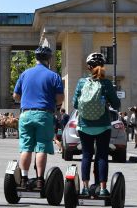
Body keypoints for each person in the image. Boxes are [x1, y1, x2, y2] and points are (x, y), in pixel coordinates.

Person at [13, 46, 64, 190]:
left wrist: (27, 98)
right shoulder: (53, 76)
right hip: (44, 114)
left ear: (35, 58)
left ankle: (23, 179)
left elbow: (15, 96)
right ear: (49, 59)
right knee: (42, 147)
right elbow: (60, 99)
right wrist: (52, 101)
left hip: (26, 114)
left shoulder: (25, 74)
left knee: (26, 147)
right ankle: (40, 181)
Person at [72, 52, 120, 196]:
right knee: (102, 156)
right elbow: (117, 104)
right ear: (103, 66)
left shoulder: (81, 82)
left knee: (86, 155)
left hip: (84, 125)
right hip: (103, 125)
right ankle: (103, 188)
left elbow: (75, 104)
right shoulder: (106, 83)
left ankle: (85, 188)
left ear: (88, 67)